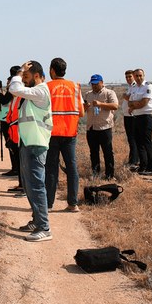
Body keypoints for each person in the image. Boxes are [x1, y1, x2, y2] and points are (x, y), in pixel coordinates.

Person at [8, 61, 53, 242]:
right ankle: (36, 221)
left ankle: (44, 228)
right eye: (23, 77)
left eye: (26, 77)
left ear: (36, 76)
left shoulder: (41, 91)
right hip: (28, 143)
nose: (24, 80)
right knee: (29, 186)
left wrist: (19, 73)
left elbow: (14, 89)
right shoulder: (35, 92)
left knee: (36, 186)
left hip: (36, 144)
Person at [45, 58, 84, 212]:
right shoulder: (75, 86)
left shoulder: (47, 87)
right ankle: (73, 203)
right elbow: (81, 112)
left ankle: (48, 204)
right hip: (70, 132)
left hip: (51, 133)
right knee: (72, 167)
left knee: (51, 168)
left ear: (52, 70)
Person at [83, 74, 119, 180]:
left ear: (102, 82)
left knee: (108, 152)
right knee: (93, 153)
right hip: (91, 128)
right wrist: (85, 107)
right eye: (92, 84)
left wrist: (100, 104)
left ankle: (109, 175)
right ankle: (96, 173)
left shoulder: (109, 93)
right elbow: (82, 109)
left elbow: (115, 106)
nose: (94, 86)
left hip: (105, 128)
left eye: (96, 83)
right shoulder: (88, 94)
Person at [128, 68, 152, 176]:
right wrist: (135, 104)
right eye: (136, 76)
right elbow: (129, 102)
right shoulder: (134, 88)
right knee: (138, 142)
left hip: (145, 117)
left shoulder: (148, 87)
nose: (138, 78)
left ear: (144, 76)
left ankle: (151, 167)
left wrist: (134, 105)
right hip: (136, 117)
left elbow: (144, 103)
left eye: (140, 75)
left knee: (146, 142)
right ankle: (143, 165)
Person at [122, 70, 139, 170]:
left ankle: (134, 161)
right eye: (126, 77)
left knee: (133, 139)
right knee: (131, 139)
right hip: (127, 116)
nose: (128, 79)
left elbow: (132, 99)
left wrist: (126, 97)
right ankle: (133, 160)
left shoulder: (136, 87)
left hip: (132, 116)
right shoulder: (130, 87)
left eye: (130, 77)